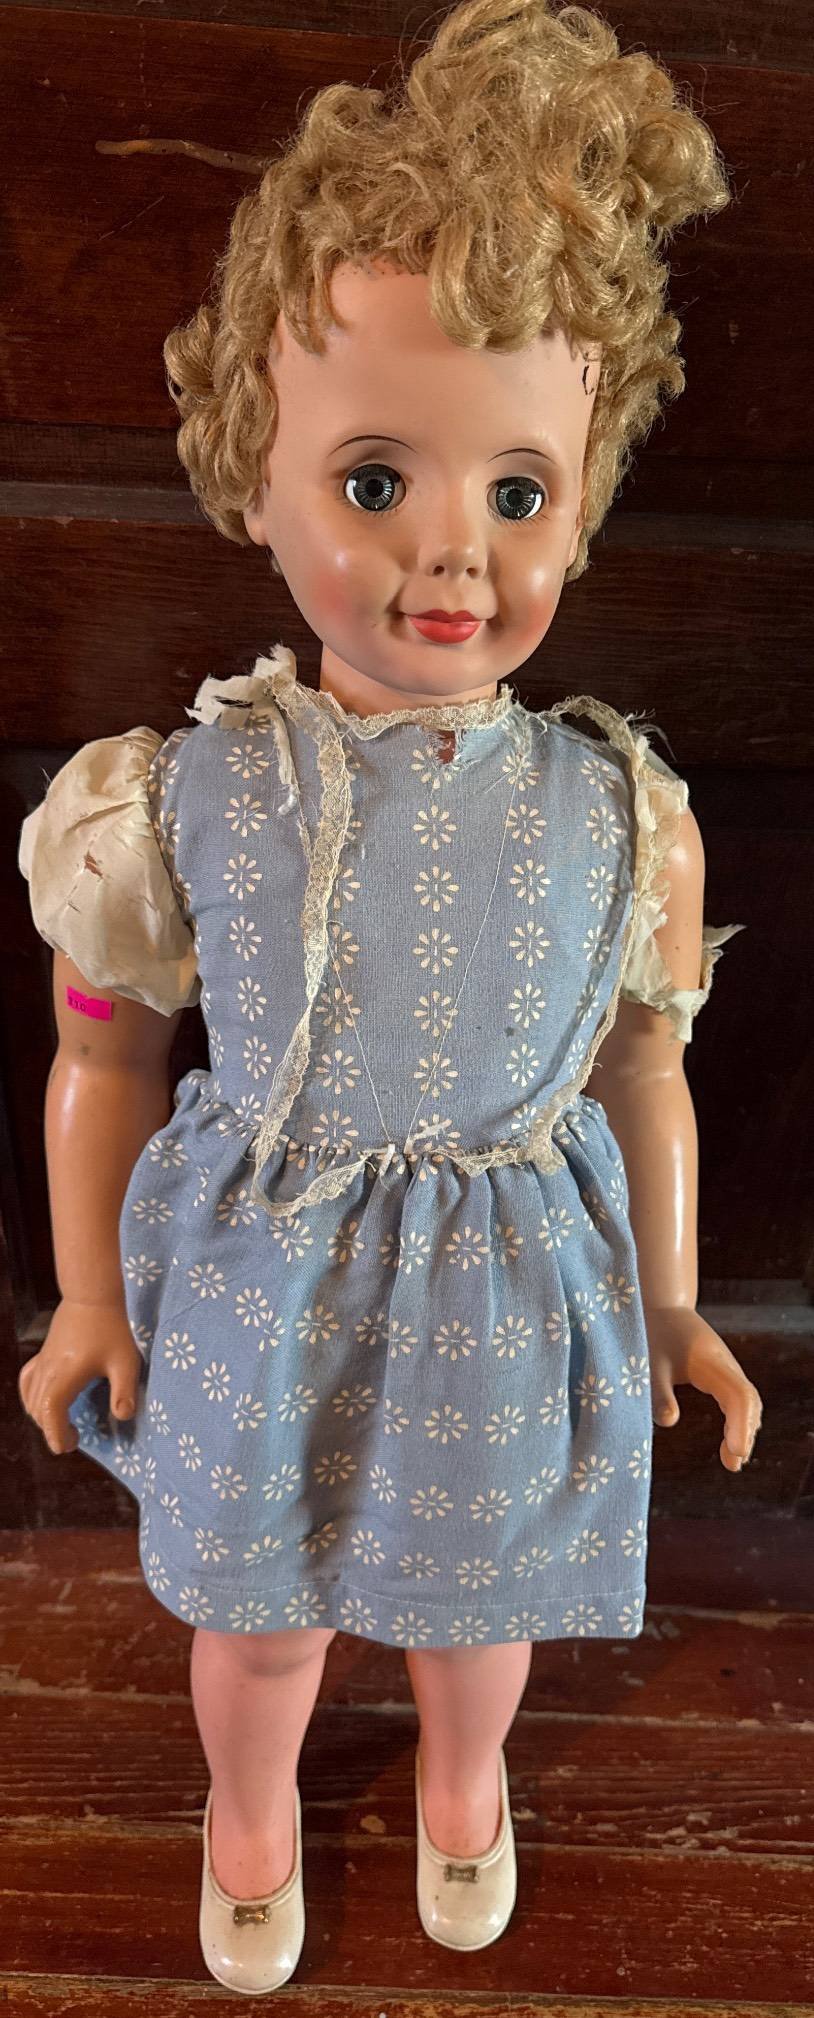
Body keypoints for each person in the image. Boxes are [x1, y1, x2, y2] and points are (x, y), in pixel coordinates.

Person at [17, 0, 763, 1992]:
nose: (448, 547)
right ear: (252, 475)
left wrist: (668, 1299)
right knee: (255, 1619)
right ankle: (249, 1806)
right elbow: (105, 1053)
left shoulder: (620, 811)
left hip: (505, 1285)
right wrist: (87, 1294)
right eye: (371, 478)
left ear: (581, 493)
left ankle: (459, 1775)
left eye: (515, 491)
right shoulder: (177, 793)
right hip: (262, 1266)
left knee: (472, 1604)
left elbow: (641, 1064)